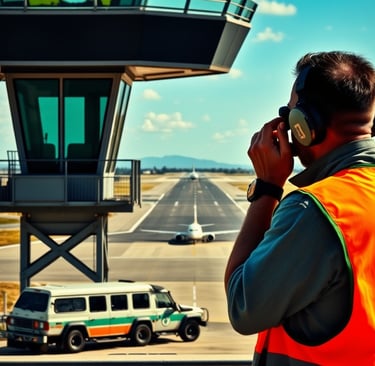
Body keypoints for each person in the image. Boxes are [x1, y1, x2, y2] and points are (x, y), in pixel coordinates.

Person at [224, 51, 375, 365]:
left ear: (306, 125)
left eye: (290, 113)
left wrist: (268, 187)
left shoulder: (318, 210)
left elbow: (244, 308)